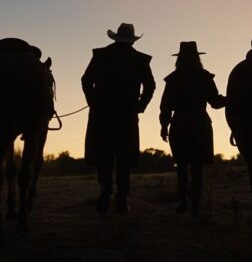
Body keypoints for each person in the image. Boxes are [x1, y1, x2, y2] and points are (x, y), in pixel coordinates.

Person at [82, 23, 156, 214]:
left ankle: (105, 188)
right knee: (124, 159)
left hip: (102, 114)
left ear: (116, 38)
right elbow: (150, 86)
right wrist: (140, 106)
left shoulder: (101, 55)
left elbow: (86, 80)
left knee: (103, 155)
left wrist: (93, 102)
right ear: (132, 39)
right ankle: (121, 198)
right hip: (127, 115)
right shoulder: (139, 60)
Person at [159, 41, 226, 217]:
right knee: (197, 168)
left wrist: (164, 126)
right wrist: (232, 98)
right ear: (197, 58)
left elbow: (165, 106)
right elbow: (215, 102)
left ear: (179, 58)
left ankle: (184, 199)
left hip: (179, 124)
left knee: (181, 165)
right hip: (200, 124)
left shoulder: (173, 79)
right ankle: (195, 204)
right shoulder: (204, 77)